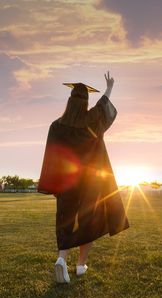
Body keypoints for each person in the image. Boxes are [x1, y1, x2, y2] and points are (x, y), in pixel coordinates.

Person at [38, 71, 129, 283]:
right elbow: (102, 107)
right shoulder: (93, 122)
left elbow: (51, 156)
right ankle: (80, 265)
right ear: (86, 101)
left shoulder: (57, 126)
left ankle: (62, 259)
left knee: (66, 220)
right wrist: (109, 87)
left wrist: (55, 184)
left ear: (69, 101)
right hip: (91, 184)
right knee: (88, 221)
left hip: (66, 183)